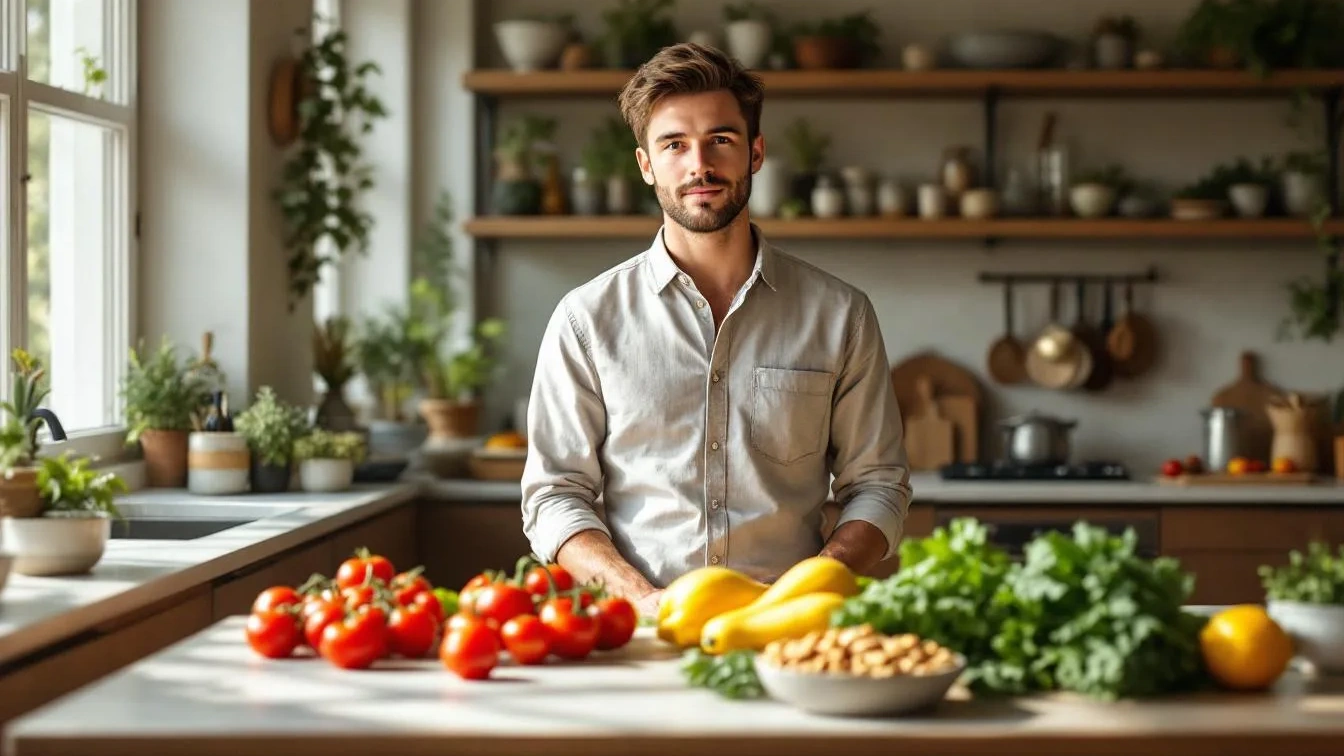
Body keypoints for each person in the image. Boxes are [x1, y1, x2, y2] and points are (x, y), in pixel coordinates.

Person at [520, 43, 911, 618]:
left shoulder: (840, 315)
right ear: (646, 165)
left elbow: (878, 486)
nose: (698, 165)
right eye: (674, 144)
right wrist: (640, 598)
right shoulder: (587, 320)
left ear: (756, 152)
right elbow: (554, 495)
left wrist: (803, 592)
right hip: (640, 628)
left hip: (790, 630)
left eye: (720, 140)